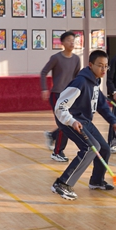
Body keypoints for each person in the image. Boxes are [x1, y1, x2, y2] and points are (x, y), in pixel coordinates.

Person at [50, 49, 116, 201]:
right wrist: (72, 121)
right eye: (100, 65)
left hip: (85, 121)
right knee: (90, 148)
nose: (103, 69)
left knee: (104, 148)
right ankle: (62, 183)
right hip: (70, 120)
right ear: (90, 65)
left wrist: (113, 120)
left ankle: (96, 181)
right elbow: (59, 106)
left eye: (106, 66)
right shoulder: (81, 82)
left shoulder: (95, 82)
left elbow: (101, 104)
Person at [41, 31, 81, 162]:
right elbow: (43, 72)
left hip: (69, 96)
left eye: (73, 40)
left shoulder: (76, 59)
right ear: (62, 43)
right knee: (65, 123)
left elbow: (77, 78)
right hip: (57, 94)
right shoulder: (56, 58)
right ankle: (57, 152)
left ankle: (52, 135)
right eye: (69, 40)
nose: (71, 43)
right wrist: (44, 89)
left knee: (68, 122)